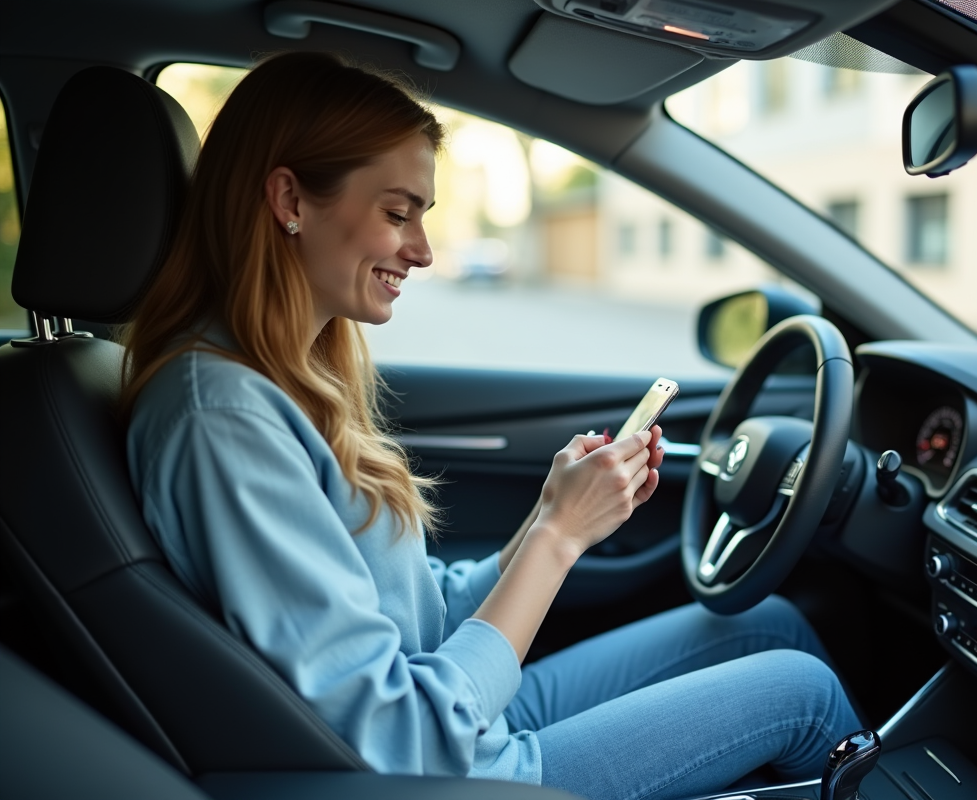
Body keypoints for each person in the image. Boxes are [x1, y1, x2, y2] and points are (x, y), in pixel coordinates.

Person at [122, 51, 860, 800]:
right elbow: (398, 736)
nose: (423, 250)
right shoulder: (222, 417)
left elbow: (422, 614)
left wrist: (546, 517)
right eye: (396, 212)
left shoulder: (280, 384)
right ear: (291, 199)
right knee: (800, 690)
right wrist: (559, 538)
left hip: (463, 714)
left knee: (766, 624)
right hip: (462, 771)